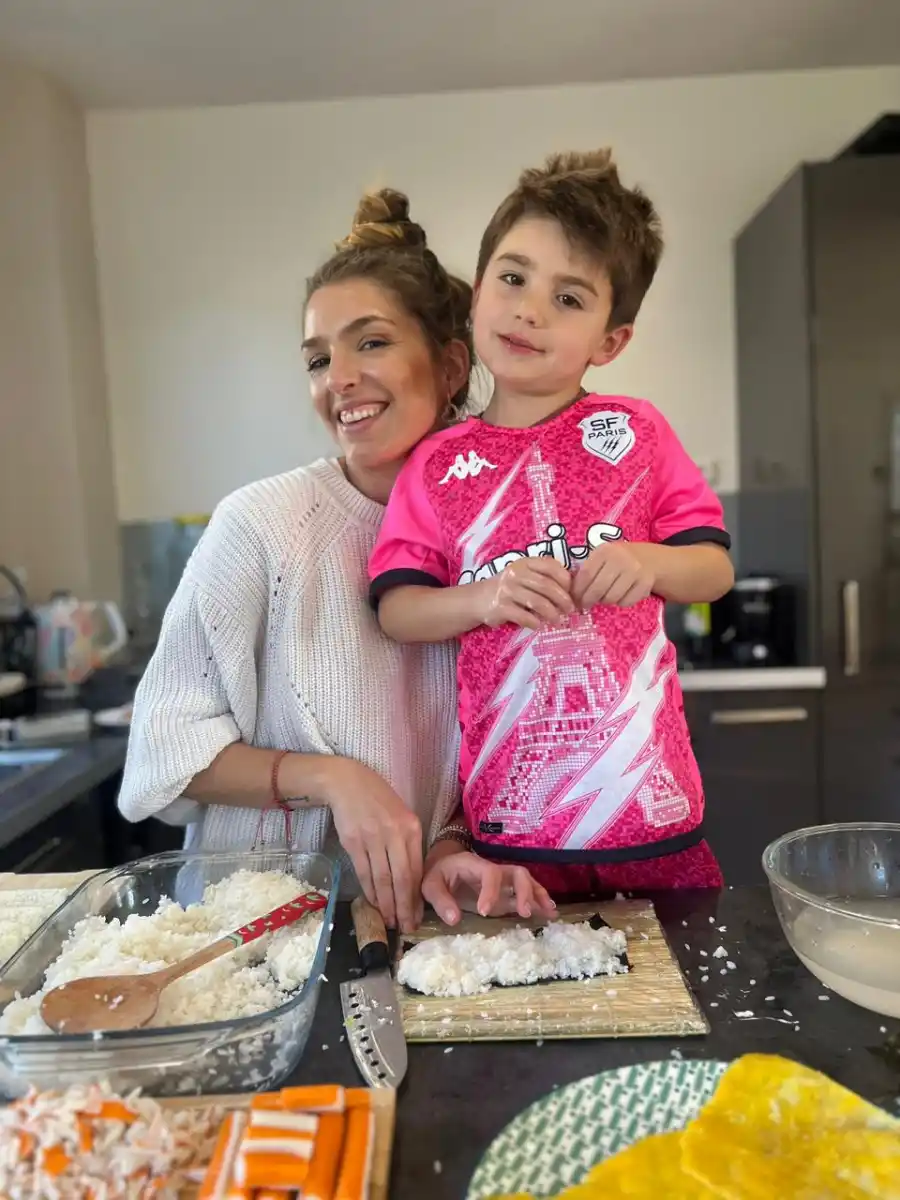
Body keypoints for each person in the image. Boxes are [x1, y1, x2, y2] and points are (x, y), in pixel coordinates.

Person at [118, 187, 555, 933]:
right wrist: (331, 779)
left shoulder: (502, 541)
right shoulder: (260, 526)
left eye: (371, 343)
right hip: (248, 942)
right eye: (319, 359)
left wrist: (452, 843)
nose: (337, 379)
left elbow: (496, 750)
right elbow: (164, 752)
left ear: (451, 366)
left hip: (424, 934)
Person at [369, 150, 735, 896]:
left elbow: (714, 569)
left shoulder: (637, 431)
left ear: (610, 341)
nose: (530, 310)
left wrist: (651, 562)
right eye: (513, 279)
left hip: (649, 809)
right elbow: (398, 611)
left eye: (568, 298)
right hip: (511, 833)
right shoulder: (436, 463)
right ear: (478, 293)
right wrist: (485, 598)